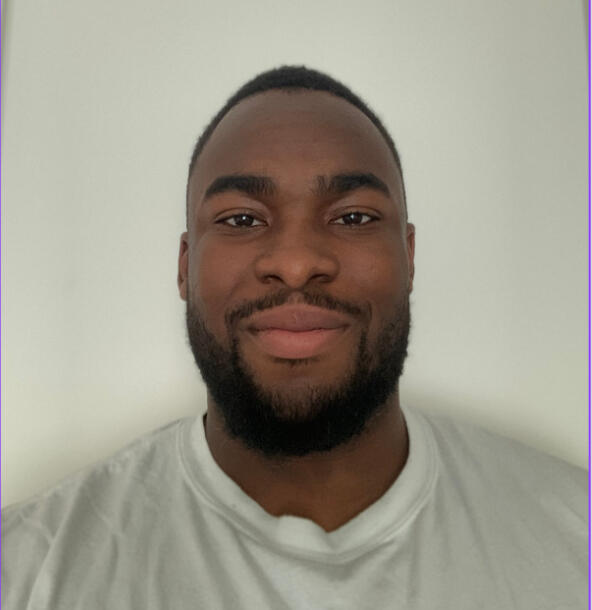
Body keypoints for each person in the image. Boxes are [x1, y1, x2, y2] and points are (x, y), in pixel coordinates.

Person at [2, 66, 586, 609]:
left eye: (353, 217)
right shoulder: (28, 570)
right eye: (241, 219)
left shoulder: (574, 536)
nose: (298, 263)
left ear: (409, 257)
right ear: (184, 266)